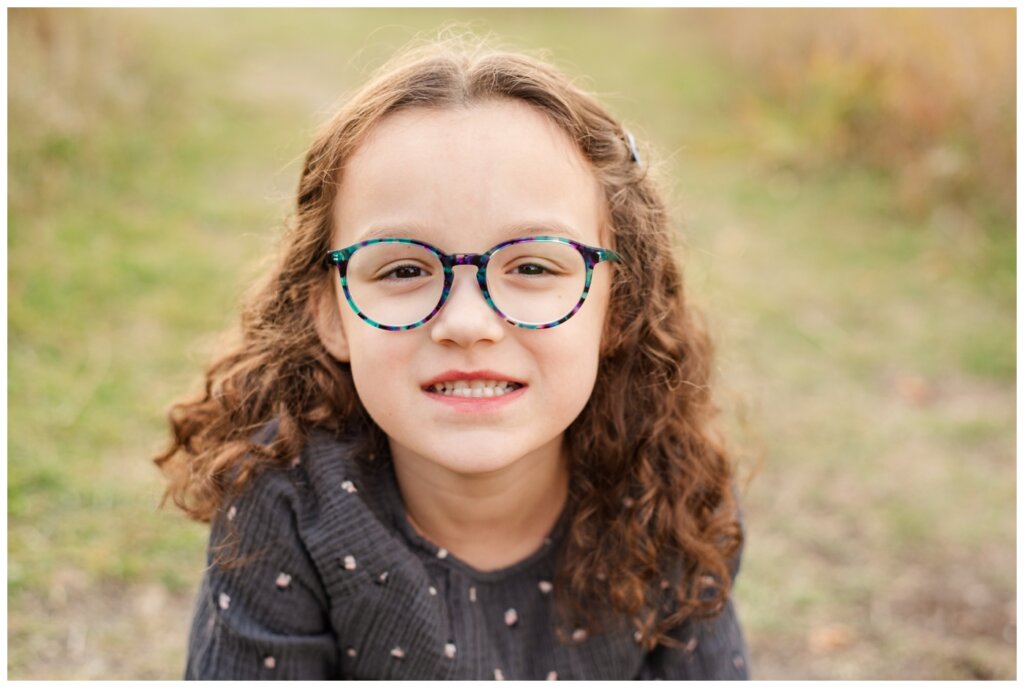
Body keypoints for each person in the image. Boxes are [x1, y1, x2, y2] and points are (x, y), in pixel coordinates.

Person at [154, 34, 750, 680]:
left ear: (619, 304)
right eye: (405, 268)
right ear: (328, 310)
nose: (467, 323)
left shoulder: (670, 492)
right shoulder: (285, 504)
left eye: (530, 264)